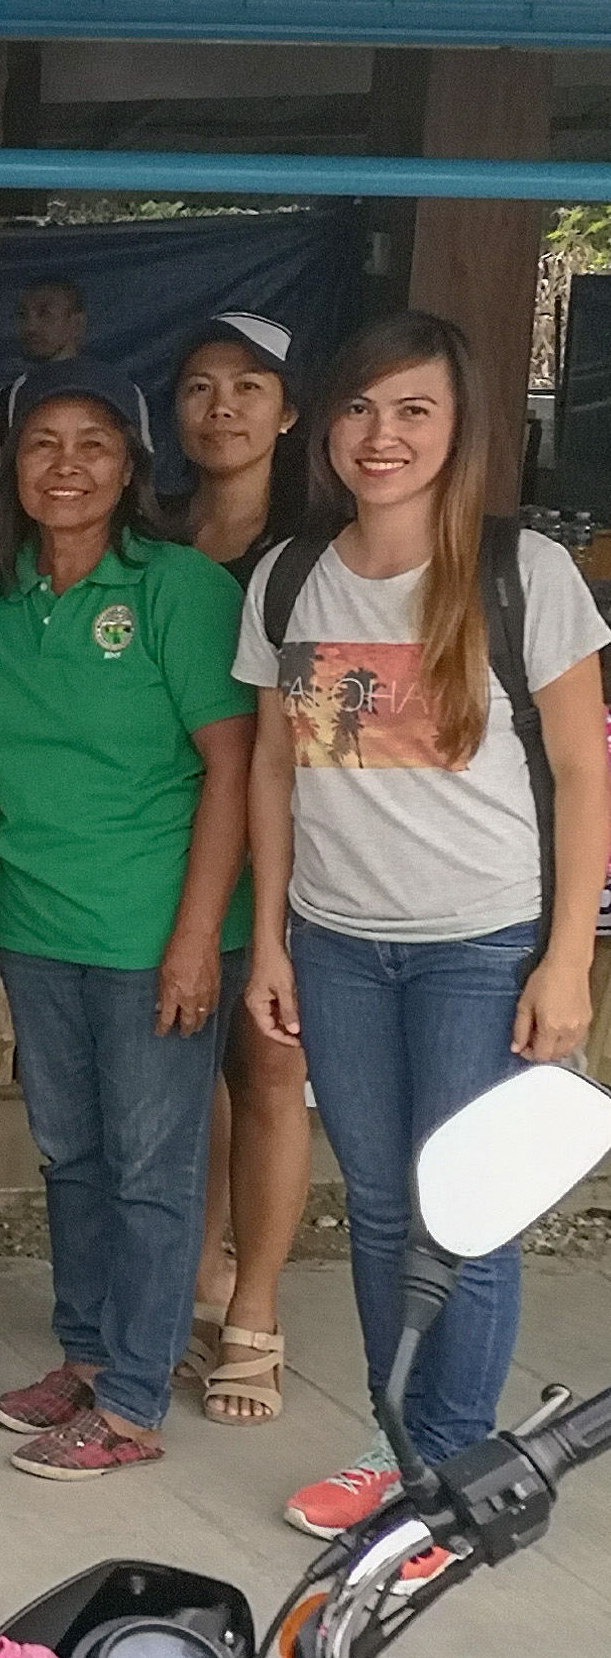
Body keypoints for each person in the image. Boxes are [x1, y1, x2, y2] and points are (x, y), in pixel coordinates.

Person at [240, 311, 607, 1559]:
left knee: (466, 1215)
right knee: (385, 1212)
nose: (378, 436)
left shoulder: (520, 575)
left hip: (478, 943)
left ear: (459, 430)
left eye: (411, 411)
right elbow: (271, 775)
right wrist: (273, 942)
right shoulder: (290, 575)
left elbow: (578, 769)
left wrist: (565, 958)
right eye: (356, 409)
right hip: (335, 943)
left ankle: (450, 1466)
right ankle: (403, 1444)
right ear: (323, 426)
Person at [0, 381, 254, 1481]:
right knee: (69, 1157)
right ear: (11, 465)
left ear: (131, 466)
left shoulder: (176, 587)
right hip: (41, 921)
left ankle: (133, 1400)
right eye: (40, 443)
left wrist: (195, 936)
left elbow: (230, 764)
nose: (64, 464)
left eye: (93, 445)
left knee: (150, 1167)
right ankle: (85, 1358)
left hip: (155, 927)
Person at [164, 309, 320, 1428]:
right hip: (167, 840)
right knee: (196, 1064)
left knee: (267, 1068)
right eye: (198, 387)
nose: (220, 407)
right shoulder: (151, 536)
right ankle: (204, 1269)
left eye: (247, 388)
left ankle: (253, 1314)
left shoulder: (319, 551)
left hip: (288, 843)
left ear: (288, 412)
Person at [0, 275, 153, 469]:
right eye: (23, 315)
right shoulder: (0, 403)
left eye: (44, 314)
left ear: (77, 323)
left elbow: (140, 474)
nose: (31, 327)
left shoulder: (122, 393)